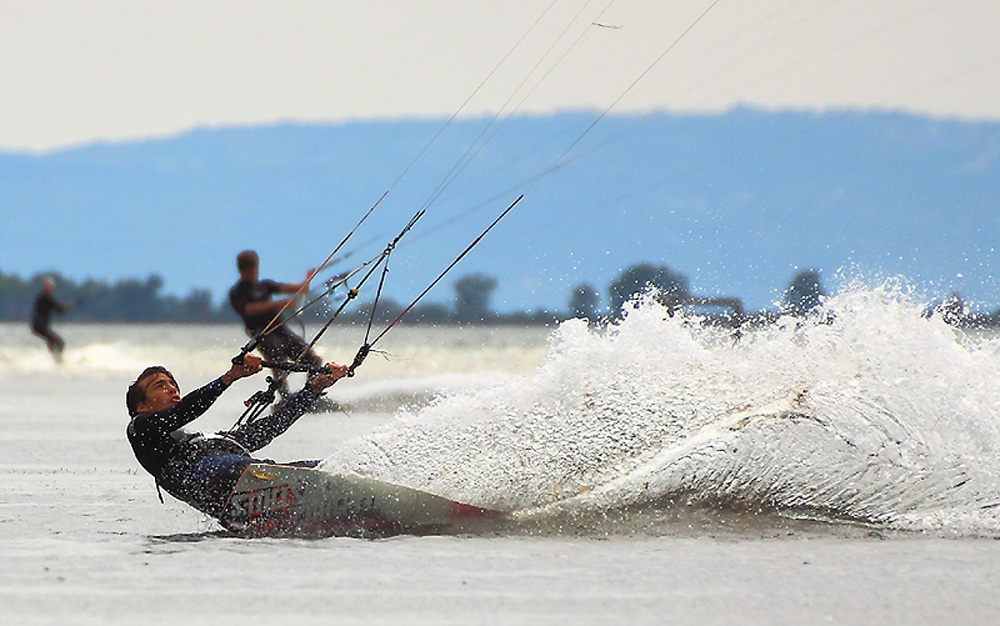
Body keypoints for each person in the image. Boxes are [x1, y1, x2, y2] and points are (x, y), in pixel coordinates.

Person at [126, 353, 350, 518]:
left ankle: (346, 477)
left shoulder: (195, 441)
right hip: (216, 478)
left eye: (173, 384)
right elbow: (183, 411)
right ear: (142, 406)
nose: (172, 389)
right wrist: (229, 377)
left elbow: (269, 427)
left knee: (325, 469)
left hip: (234, 479)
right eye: (160, 386)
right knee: (259, 471)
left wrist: (313, 389)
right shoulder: (139, 428)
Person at [228, 250, 323, 396]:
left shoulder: (265, 285)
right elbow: (248, 310)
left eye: (253, 270)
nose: (252, 273)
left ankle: (311, 395)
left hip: (280, 330)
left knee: (312, 360)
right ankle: (285, 398)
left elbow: (300, 289)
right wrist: (279, 303)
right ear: (241, 271)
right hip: (262, 334)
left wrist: (307, 280)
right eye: (248, 270)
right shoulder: (237, 292)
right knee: (278, 362)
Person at [31, 276, 71, 361]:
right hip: (40, 327)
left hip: (38, 326)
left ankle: (53, 359)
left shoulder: (41, 297)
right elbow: (59, 310)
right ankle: (57, 360)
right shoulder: (46, 298)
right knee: (60, 343)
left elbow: (58, 309)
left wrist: (65, 307)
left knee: (52, 342)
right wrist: (67, 306)